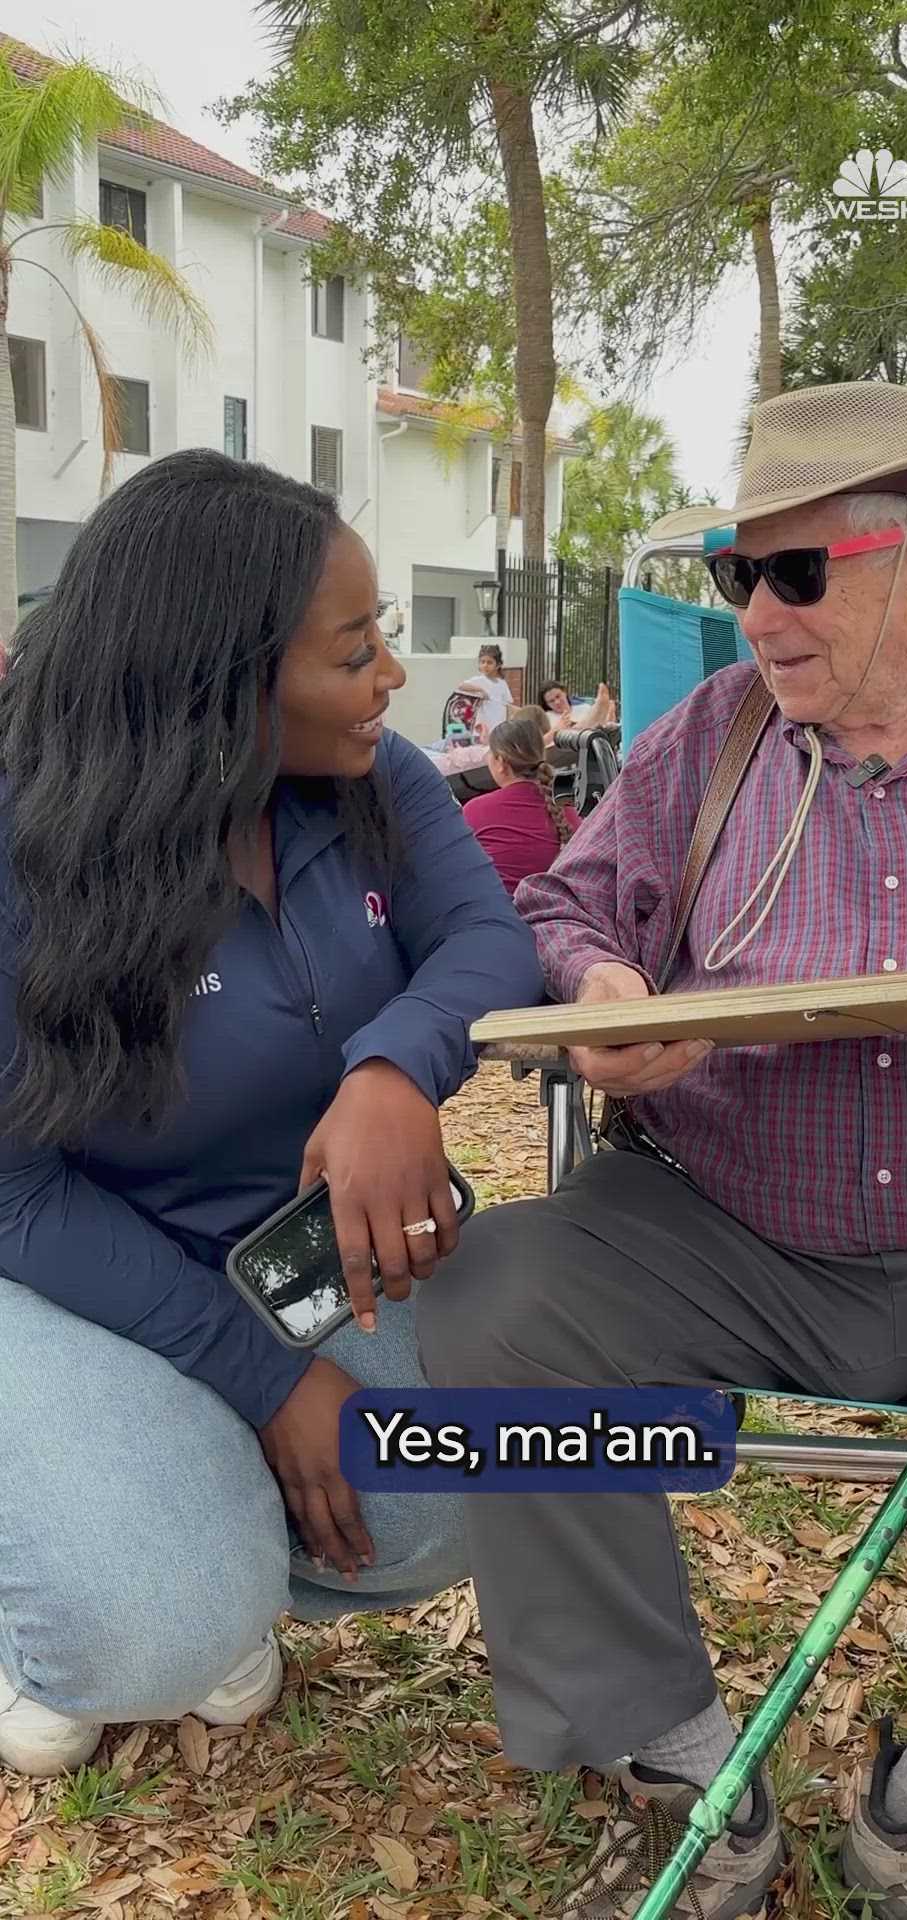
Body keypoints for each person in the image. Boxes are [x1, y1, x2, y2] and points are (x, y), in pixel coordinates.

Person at [418, 382, 907, 1918]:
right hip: (725, 1239)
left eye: (797, 575)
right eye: (738, 577)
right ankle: (676, 1764)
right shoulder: (704, 741)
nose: (758, 619)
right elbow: (566, 912)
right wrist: (602, 993)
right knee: (499, 1304)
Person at [0, 450, 544, 1778]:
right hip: (65, 1271)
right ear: (220, 678)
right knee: (150, 1626)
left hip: (290, 1262)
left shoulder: (377, 781)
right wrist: (268, 1382)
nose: (391, 679)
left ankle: (197, 1529)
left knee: (458, 1497)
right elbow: (16, 1193)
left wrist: (393, 1067)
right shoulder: (26, 848)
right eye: (353, 649)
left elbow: (485, 940)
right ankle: (82, 1597)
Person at [462, 713, 582, 894]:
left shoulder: (475, 810)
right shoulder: (565, 806)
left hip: (498, 915)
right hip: (554, 914)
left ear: (501, 762)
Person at [455, 642, 514, 740]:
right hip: (483, 730)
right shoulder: (479, 681)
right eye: (482, 662)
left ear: (498, 665)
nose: (485, 665)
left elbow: (507, 705)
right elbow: (461, 686)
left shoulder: (502, 683)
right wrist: (480, 690)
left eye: (489, 662)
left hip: (498, 728)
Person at [539, 677, 616, 732]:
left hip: (593, 746)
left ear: (564, 692)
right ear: (547, 704)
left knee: (605, 726)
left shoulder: (584, 708)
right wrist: (559, 727)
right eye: (551, 701)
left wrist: (611, 714)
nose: (557, 702)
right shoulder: (547, 717)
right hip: (567, 749)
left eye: (558, 696)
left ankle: (603, 716)